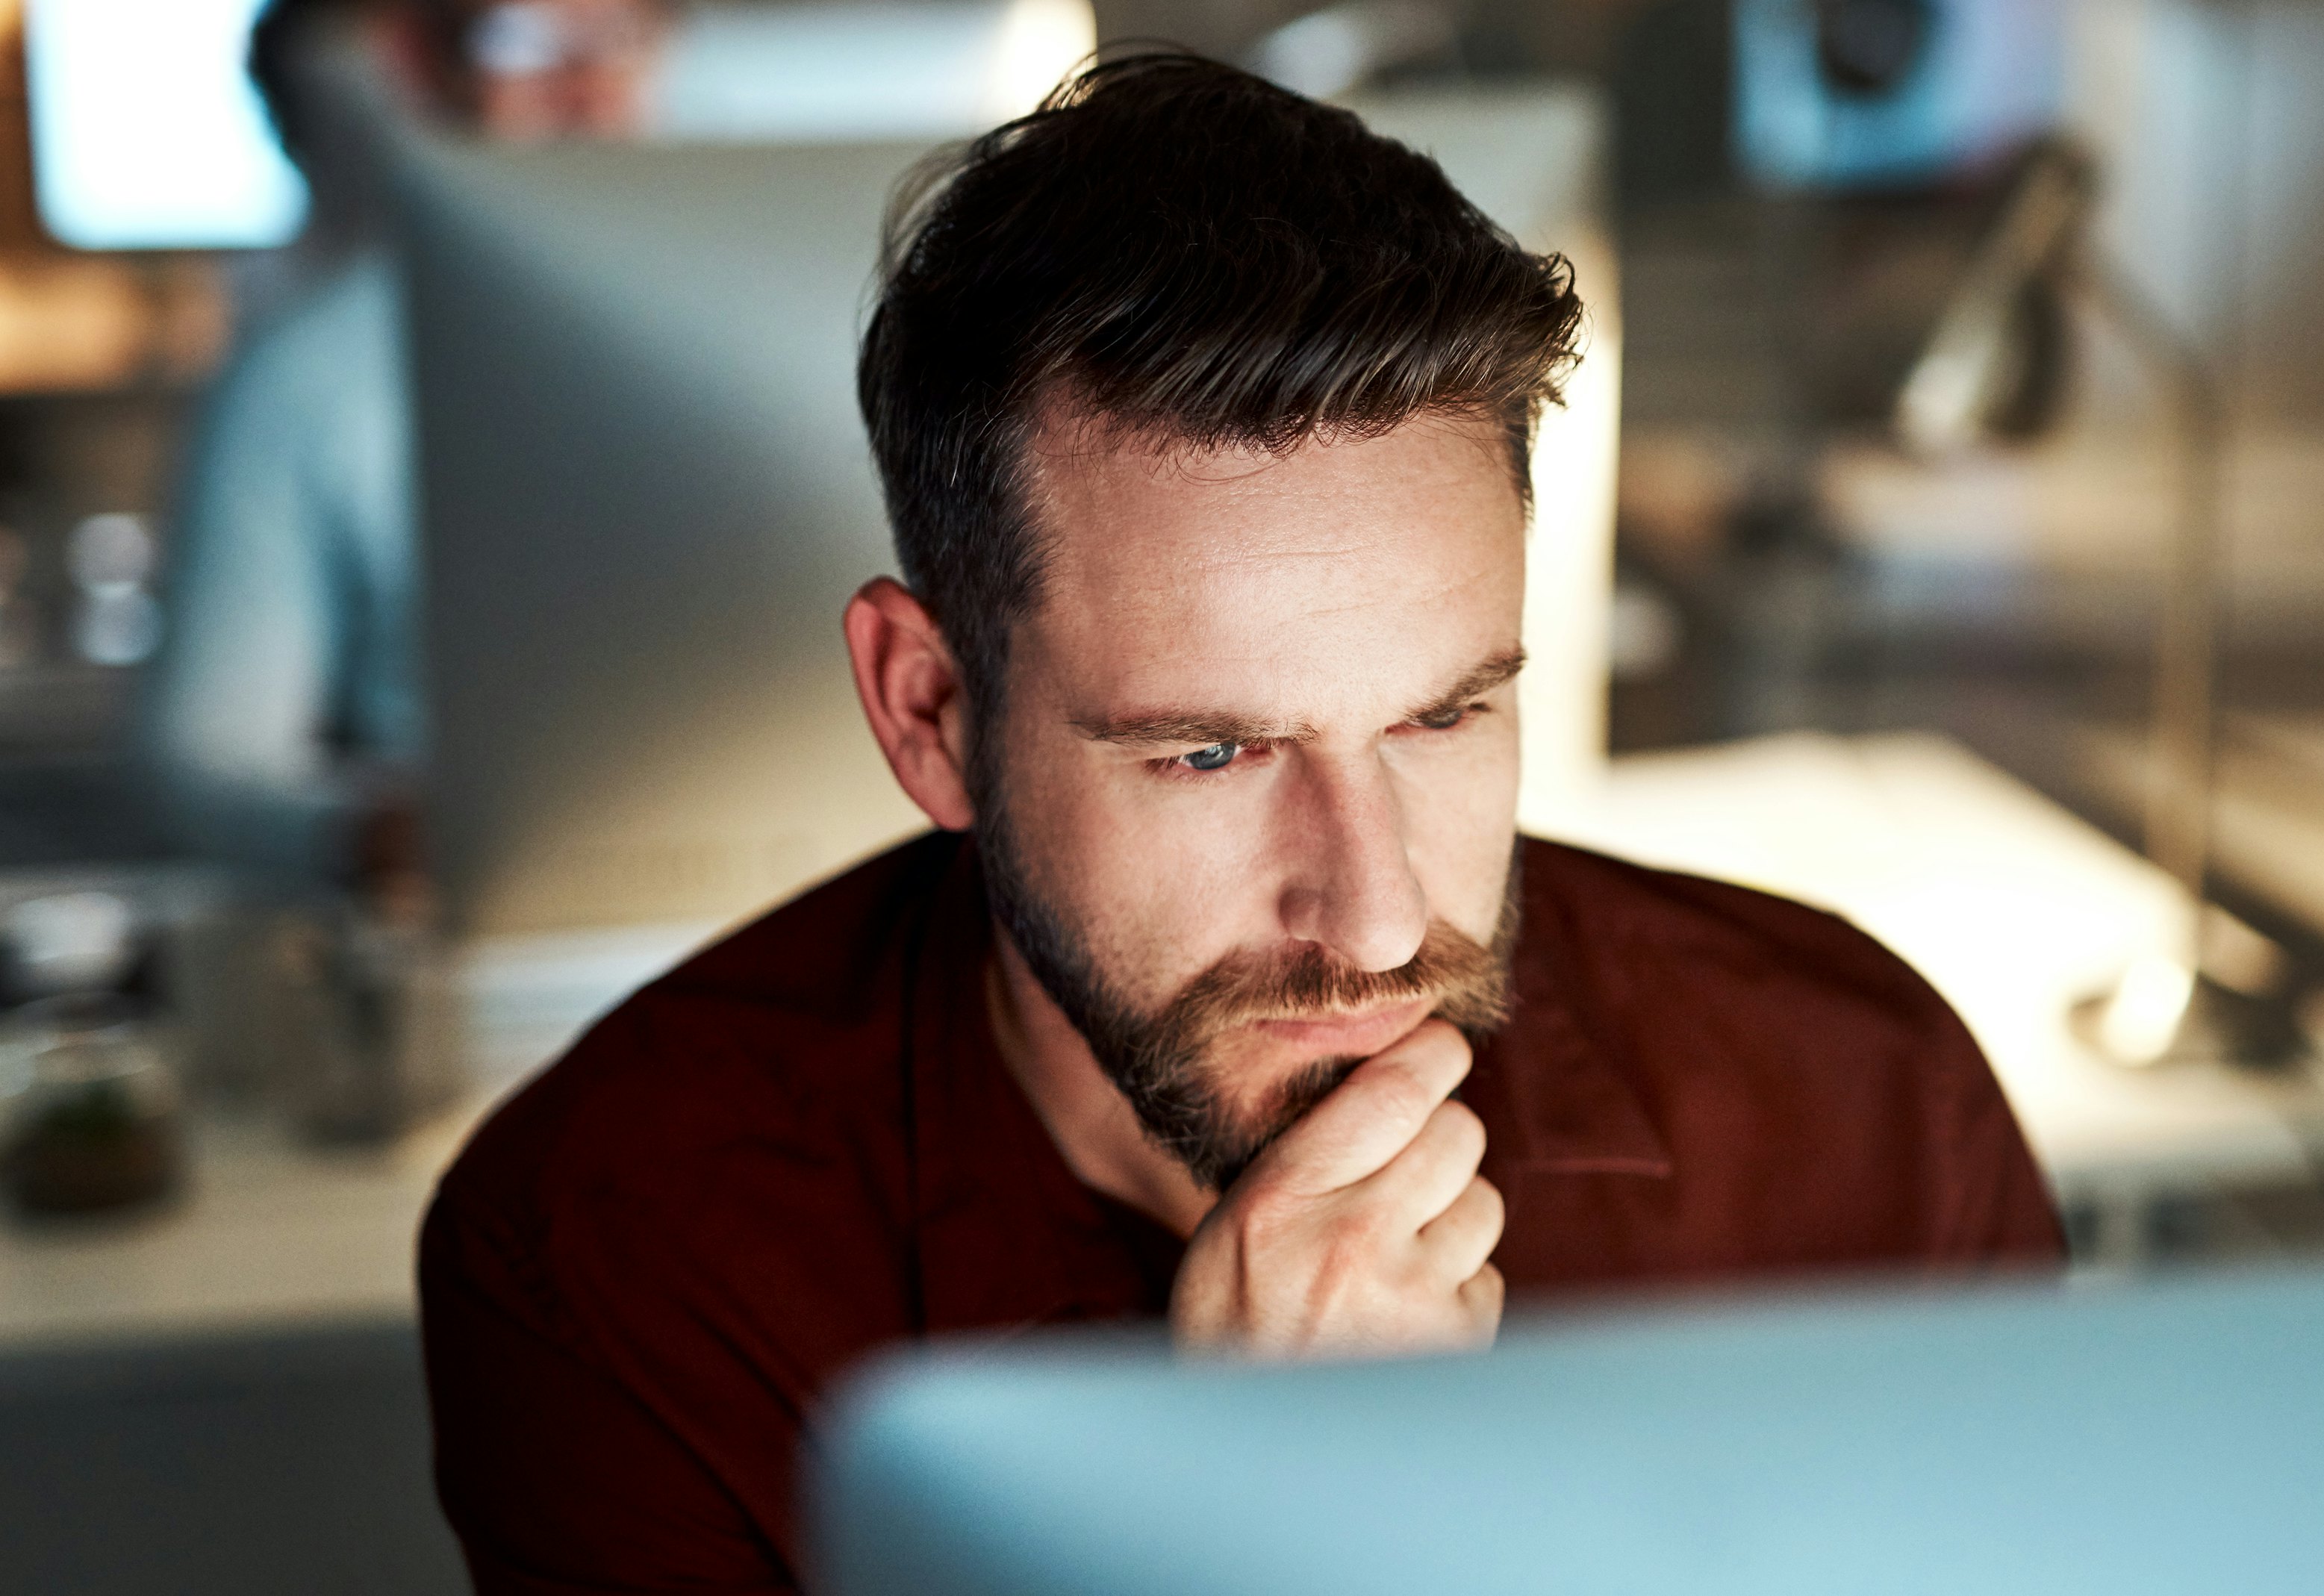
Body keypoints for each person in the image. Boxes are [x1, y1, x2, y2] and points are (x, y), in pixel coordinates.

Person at [419, 54, 2062, 1594]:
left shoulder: (1862, 1119)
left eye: (1440, 715)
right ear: (931, 713)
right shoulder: (613, 1258)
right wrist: (1267, 1512)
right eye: (1206, 752)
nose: (1372, 921)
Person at [137, 0, 668, 893]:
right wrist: (370, 830)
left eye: (624, 45)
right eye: (531, 45)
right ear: (423, 63)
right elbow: (205, 756)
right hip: (482, 927)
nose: (590, 96)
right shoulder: (308, 375)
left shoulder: (756, 329)